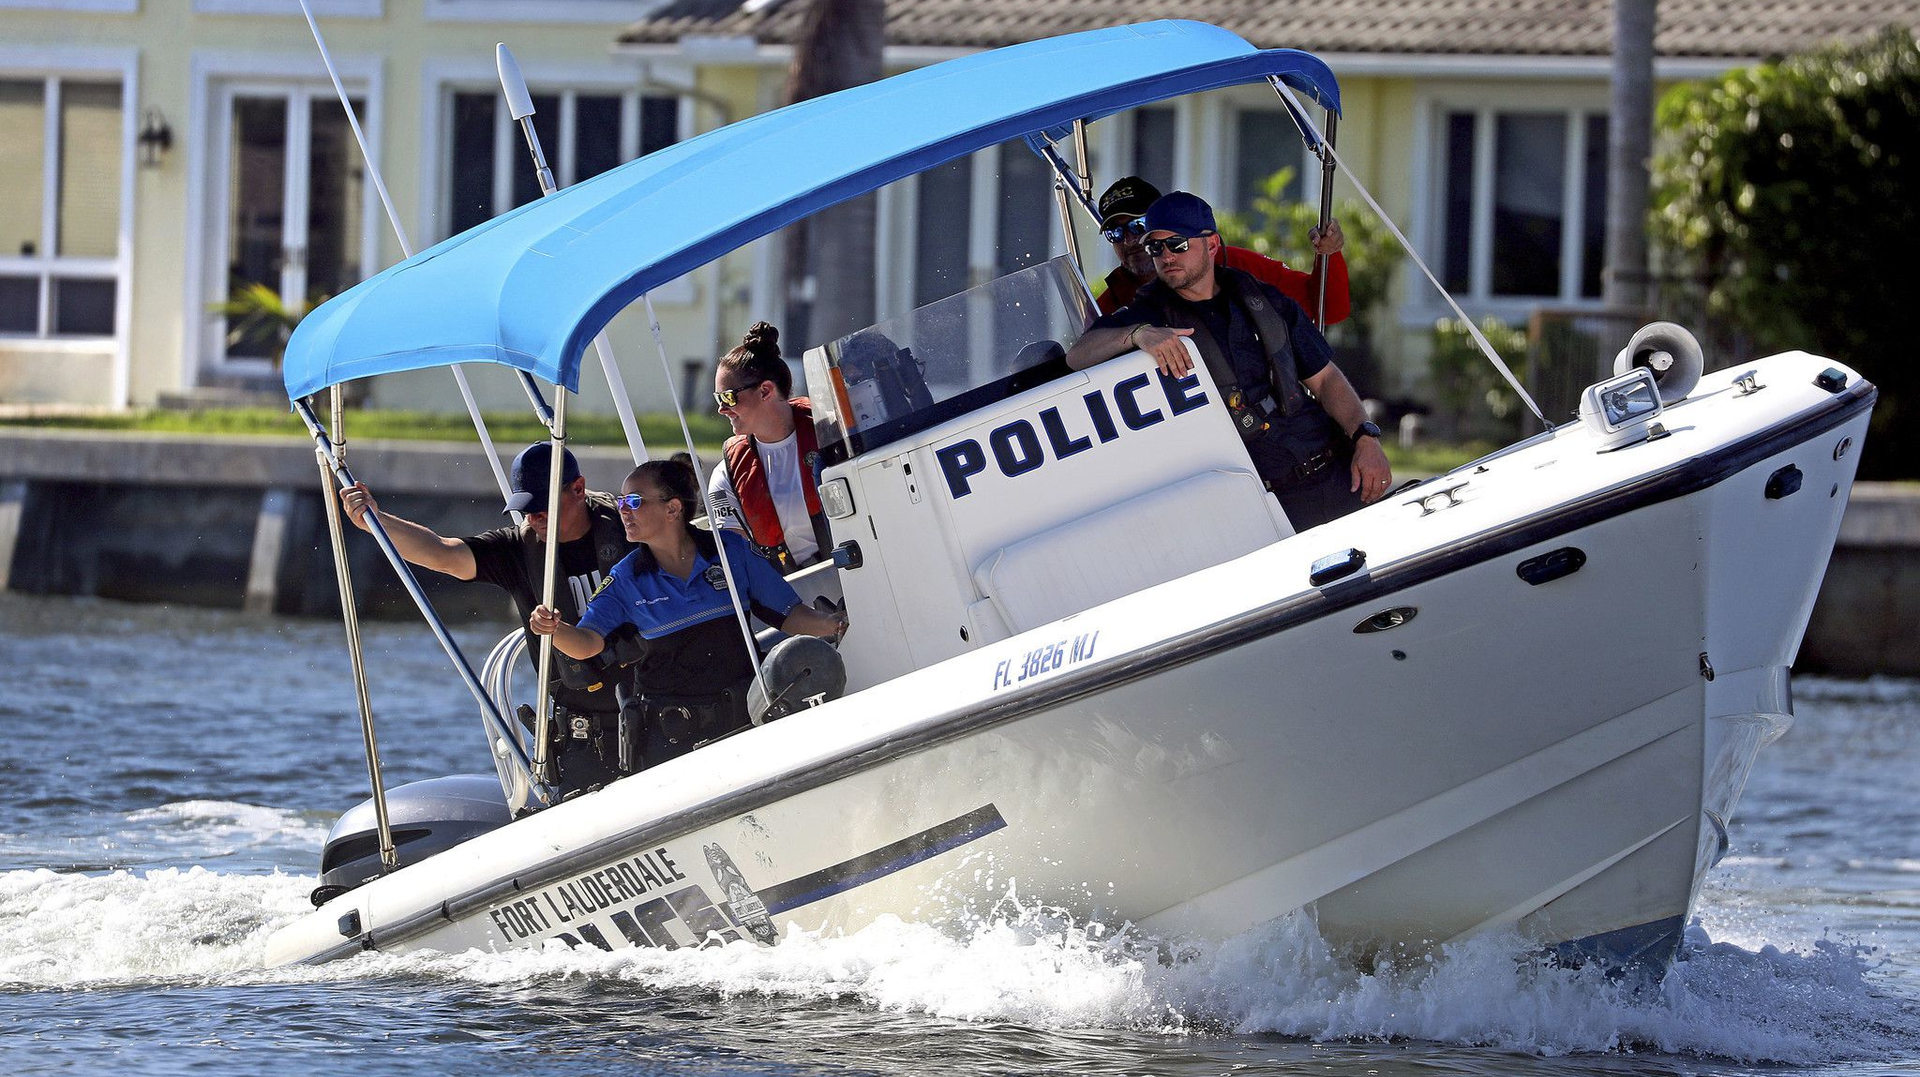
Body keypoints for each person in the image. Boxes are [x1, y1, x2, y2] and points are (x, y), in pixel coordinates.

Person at [1066, 191, 1391, 531]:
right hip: (1267, 505)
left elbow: (1326, 380)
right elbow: (1078, 356)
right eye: (1155, 247)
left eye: (1176, 244)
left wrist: (1366, 439)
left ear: (1211, 244)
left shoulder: (1261, 296)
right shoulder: (1145, 313)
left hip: (1339, 473)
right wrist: (1138, 334)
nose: (1165, 256)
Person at [339, 442, 635, 794]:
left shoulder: (631, 528)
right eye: (525, 509)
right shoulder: (517, 551)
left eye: (542, 507)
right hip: (586, 733)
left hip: (652, 707)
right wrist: (375, 520)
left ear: (578, 489)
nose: (533, 518)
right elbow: (443, 553)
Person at [530, 456, 847, 768]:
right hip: (671, 741)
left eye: (634, 501)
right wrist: (554, 629)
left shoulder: (730, 552)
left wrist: (833, 624)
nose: (623, 509)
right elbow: (587, 643)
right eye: (621, 501)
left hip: (748, 720)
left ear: (673, 508)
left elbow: (790, 614)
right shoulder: (626, 578)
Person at [1092, 176, 1351, 326]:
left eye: (1137, 226)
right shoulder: (1109, 302)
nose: (1128, 240)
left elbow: (1327, 311)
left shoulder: (1232, 264)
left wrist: (1329, 253)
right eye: (1115, 233)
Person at [708, 322, 832, 572]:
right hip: (792, 598)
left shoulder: (833, 435)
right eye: (718, 399)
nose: (721, 409)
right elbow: (734, 557)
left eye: (728, 397)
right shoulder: (726, 476)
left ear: (765, 390)